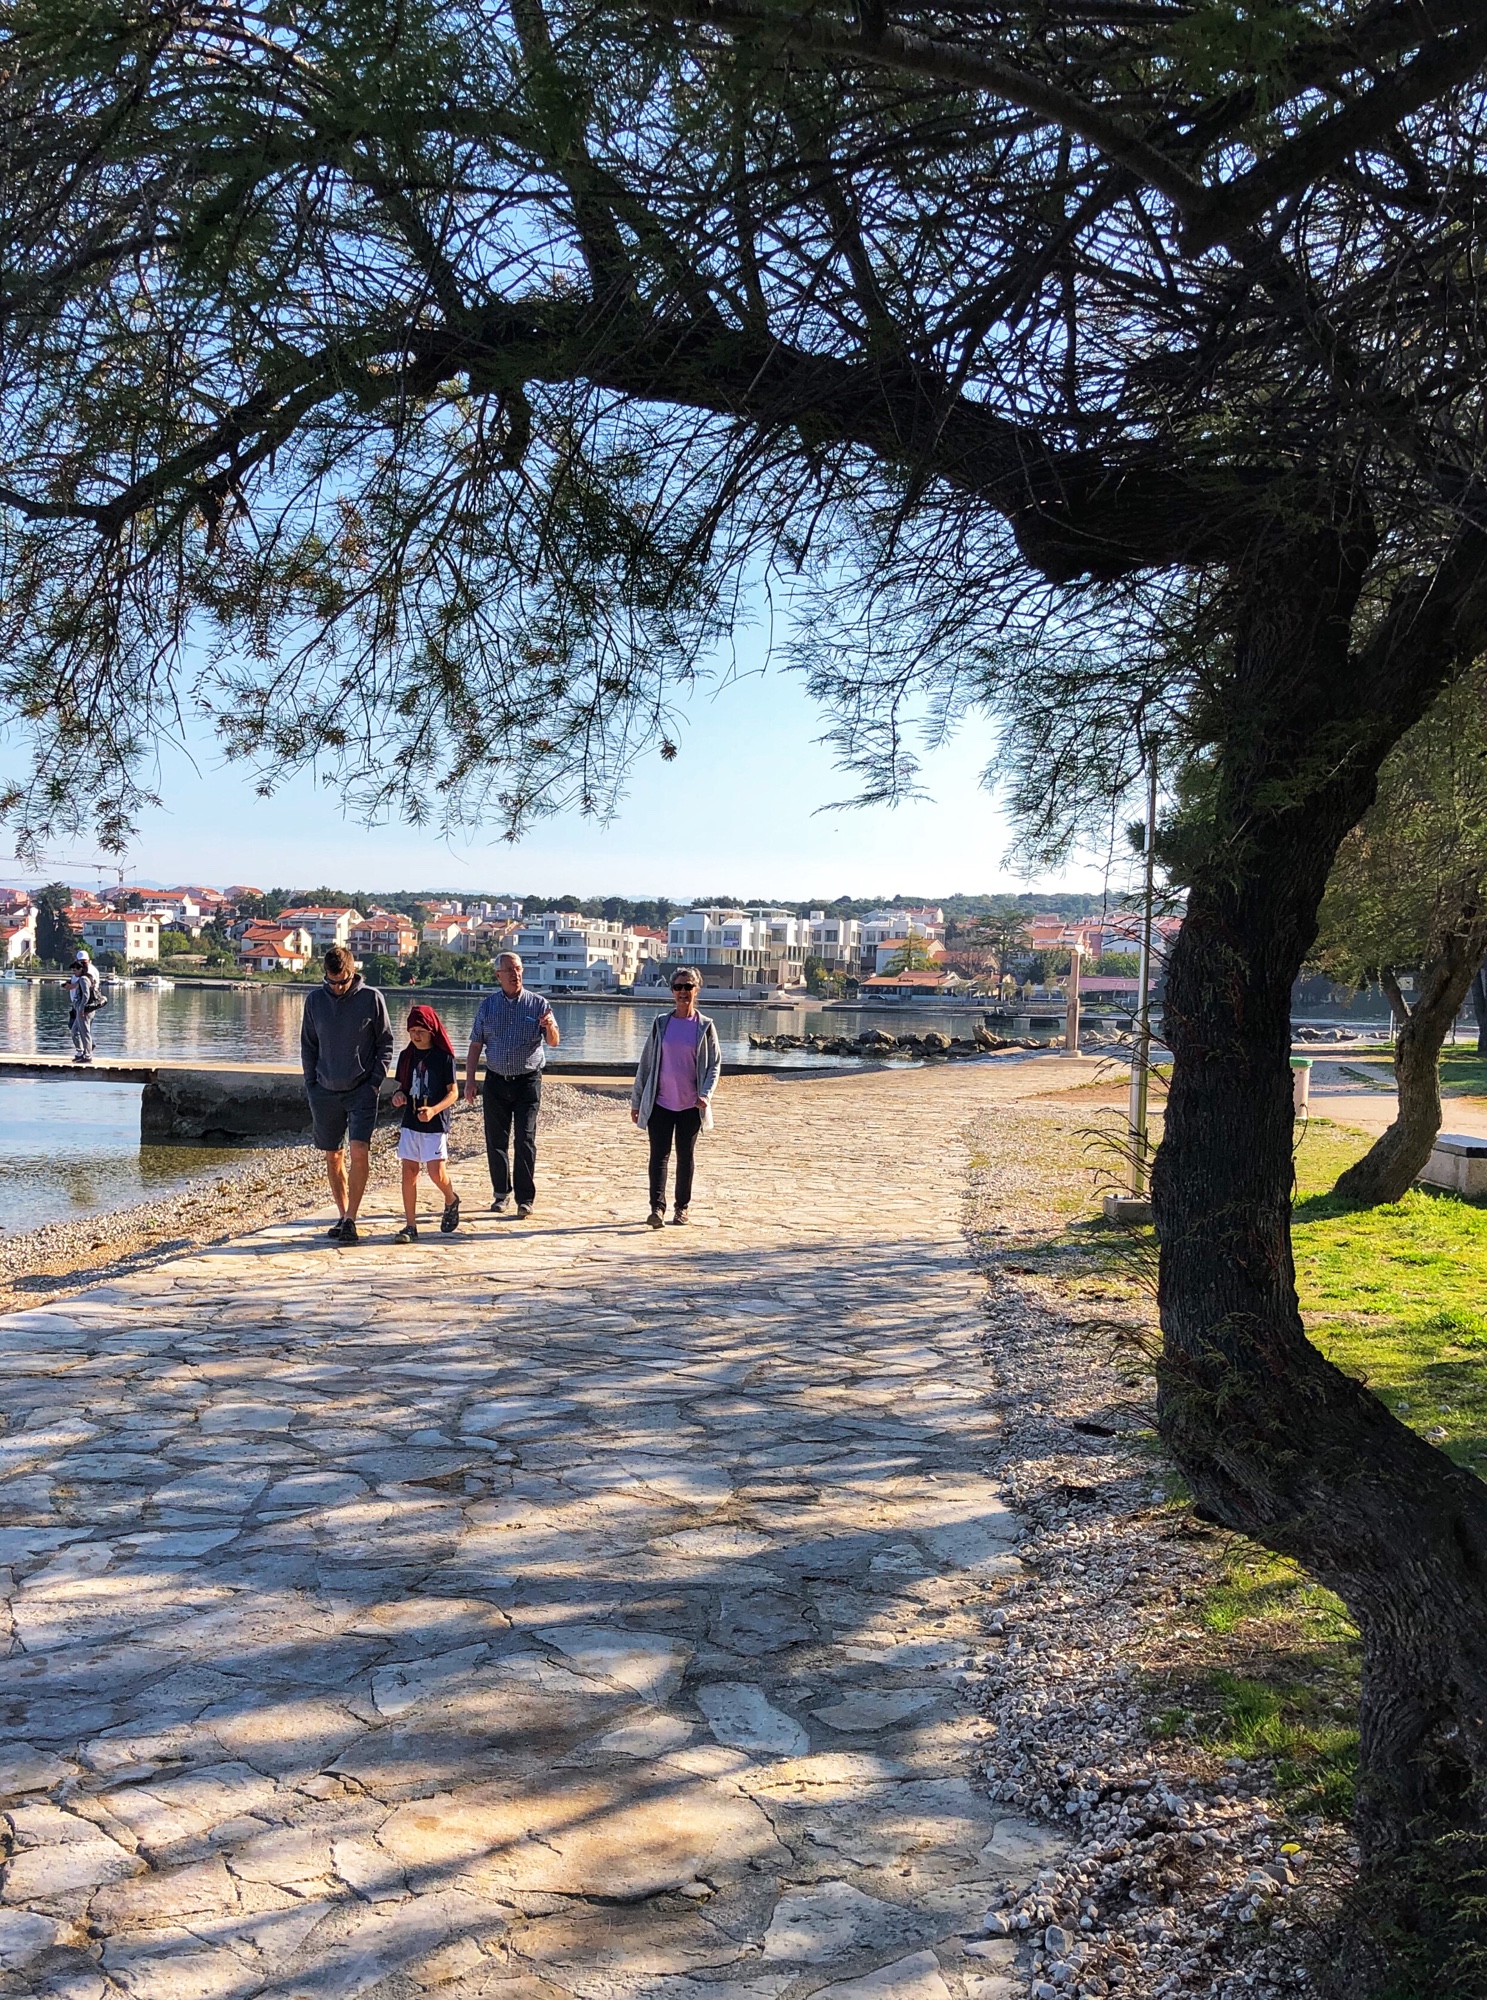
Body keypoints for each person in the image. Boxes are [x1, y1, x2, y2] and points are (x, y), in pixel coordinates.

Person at [301, 944, 393, 1245]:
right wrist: (311, 1084)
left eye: (342, 982)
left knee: (359, 1151)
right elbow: (308, 1045)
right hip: (324, 1090)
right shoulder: (315, 1001)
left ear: (353, 972)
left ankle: (352, 1218)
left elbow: (385, 1044)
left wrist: (375, 1082)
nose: (337, 988)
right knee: (333, 1156)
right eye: (331, 982)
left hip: (362, 1089)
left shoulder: (371, 999)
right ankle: (342, 1215)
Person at [463, 951, 560, 1218]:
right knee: (496, 1140)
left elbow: (554, 1042)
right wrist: (469, 1081)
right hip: (495, 1080)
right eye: (509, 970)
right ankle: (500, 1193)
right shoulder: (487, 1006)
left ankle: (525, 1198)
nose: (515, 974)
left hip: (527, 1081)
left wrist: (549, 1026)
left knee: (525, 1139)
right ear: (498, 975)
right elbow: (475, 1045)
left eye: (518, 969)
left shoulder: (539, 1004)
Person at [630, 967, 721, 1227]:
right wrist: (637, 1101)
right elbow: (646, 1064)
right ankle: (657, 1209)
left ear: (696, 990)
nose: (683, 992)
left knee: (685, 1157)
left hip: (691, 1105)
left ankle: (682, 1208)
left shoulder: (705, 1026)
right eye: (678, 987)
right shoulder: (661, 1023)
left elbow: (714, 1064)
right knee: (658, 1157)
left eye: (688, 986)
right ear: (672, 991)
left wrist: (706, 1094)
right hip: (660, 1103)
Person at [390, 1003, 462, 1244]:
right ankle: (410, 1225)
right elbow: (402, 1087)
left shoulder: (444, 1058)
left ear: (431, 1031)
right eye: (412, 1031)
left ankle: (451, 1198)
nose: (416, 1035)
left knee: (435, 1172)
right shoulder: (406, 1057)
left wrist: (434, 1110)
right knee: (409, 1172)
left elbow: (453, 1093)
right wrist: (398, 1096)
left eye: (420, 1031)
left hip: (435, 1123)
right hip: (411, 1122)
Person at [67, 949, 104, 1063]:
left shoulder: (84, 977)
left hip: (84, 1007)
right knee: (76, 1029)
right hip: (81, 1006)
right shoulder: (88, 973)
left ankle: (87, 1055)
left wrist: (81, 1008)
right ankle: (84, 1051)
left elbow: (86, 994)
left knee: (84, 1031)